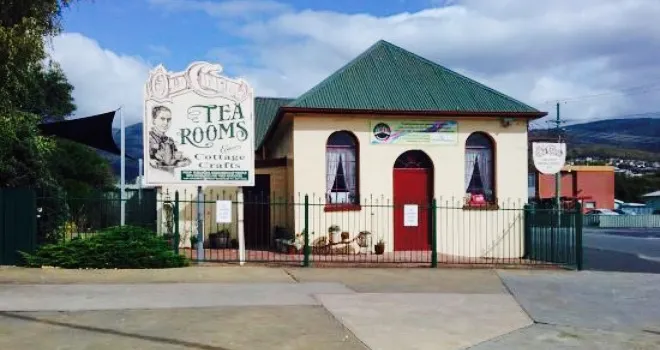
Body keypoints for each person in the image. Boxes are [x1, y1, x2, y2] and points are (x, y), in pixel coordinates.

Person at [148, 105, 191, 170]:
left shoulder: (170, 140)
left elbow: (173, 157)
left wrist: (181, 158)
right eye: (162, 119)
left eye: (169, 119)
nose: (166, 123)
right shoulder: (149, 138)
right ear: (154, 121)